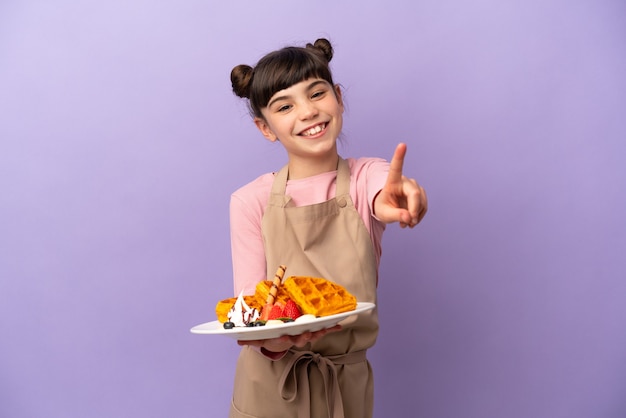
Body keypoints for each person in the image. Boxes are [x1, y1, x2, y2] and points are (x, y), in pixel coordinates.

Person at [227, 38, 428, 418]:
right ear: (265, 127)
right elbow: (251, 312)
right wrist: (278, 338)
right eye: (284, 106)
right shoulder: (249, 201)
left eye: (316, 93)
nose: (307, 112)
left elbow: (389, 191)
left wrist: (402, 197)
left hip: (345, 385)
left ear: (338, 98)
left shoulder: (365, 178)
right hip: (269, 387)